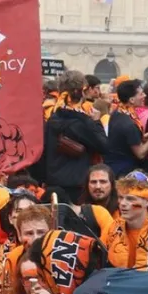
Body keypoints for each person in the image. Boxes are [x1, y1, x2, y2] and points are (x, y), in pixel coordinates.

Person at [44, 70, 109, 201]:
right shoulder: (82, 122)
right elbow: (104, 145)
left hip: (53, 182)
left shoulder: (52, 116)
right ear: (80, 92)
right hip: (76, 185)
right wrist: (96, 122)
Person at [101, 171, 148, 271]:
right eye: (121, 197)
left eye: (130, 199)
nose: (123, 203)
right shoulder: (112, 229)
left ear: (147, 201)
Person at [105, 80, 148, 177]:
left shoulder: (117, 112)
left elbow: (124, 140)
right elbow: (140, 153)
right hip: (123, 172)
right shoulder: (129, 124)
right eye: (141, 94)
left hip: (114, 166)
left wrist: (142, 138)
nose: (145, 96)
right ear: (132, 100)